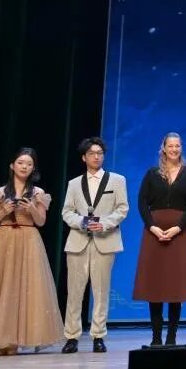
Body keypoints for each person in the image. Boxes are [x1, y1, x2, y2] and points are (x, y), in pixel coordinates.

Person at [0, 148, 64, 355]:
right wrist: (3, 211)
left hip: (28, 240)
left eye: (29, 164)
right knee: (0, 288)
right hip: (3, 240)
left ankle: (14, 341)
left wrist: (31, 208)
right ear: (12, 165)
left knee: (25, 289)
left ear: (33, 169)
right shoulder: (0, 192)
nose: (24, 167)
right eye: (21, 162)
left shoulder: (38, 193)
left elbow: (41, 221)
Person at [60, 137, 130, 354]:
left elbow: (122, 208)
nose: (96, 156)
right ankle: (71, 336)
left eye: (100, 153)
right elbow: (66, 211)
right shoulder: (74, 183)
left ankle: (98, 335)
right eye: (91, 153)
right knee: (74, 292)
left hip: (104, 240)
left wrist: (105, 223)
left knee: (101, 291)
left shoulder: (117, 180)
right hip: (78, 242)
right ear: (84, 157)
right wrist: (82, 222)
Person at [132, 132, 186, 346]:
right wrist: (151, 226)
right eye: (170, 146)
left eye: (177, 146)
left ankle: (171, 337)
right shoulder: (152, 173)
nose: (174, 149)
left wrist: (178, 227)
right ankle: (156, 338)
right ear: (163, 148)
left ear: (181, 147)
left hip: (179, 233)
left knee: (175, 286)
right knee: (155, 285)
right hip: (153, 233)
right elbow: (142, 202)